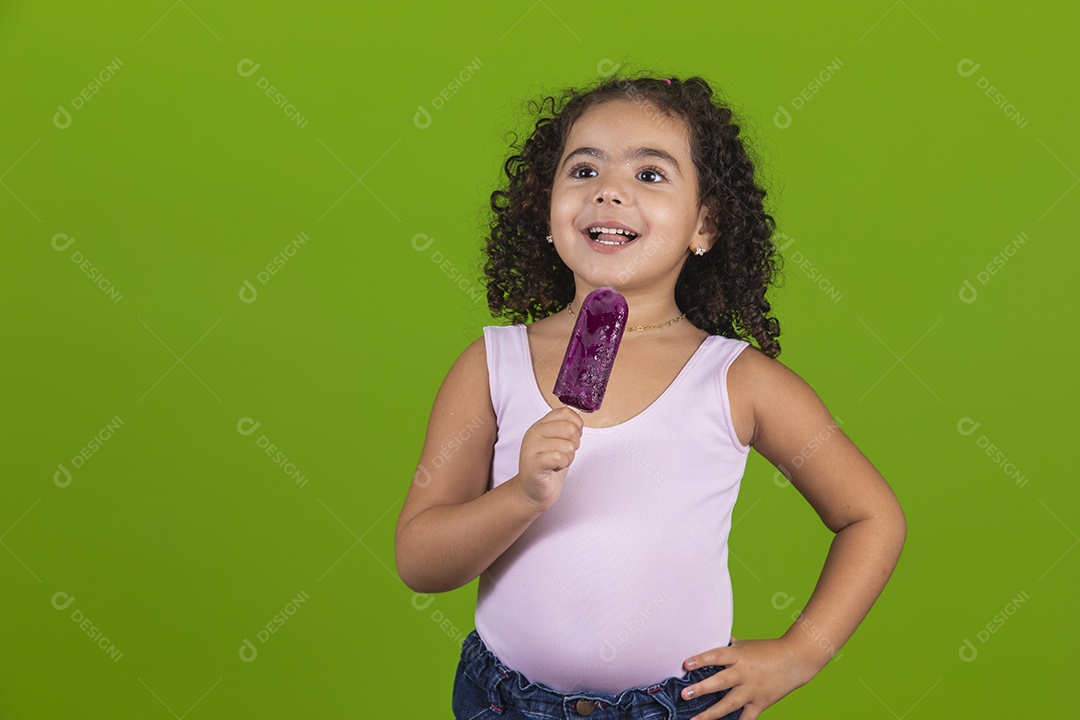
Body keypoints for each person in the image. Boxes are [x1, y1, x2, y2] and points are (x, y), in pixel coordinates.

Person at [394, 73, 906, 720]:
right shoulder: (492, 365)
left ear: (705, 225)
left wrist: (798, 654)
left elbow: (872, 518)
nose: (609, 190)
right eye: (583, 170)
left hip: (679, 706)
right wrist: (519, 495)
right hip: (503, 702)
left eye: (651, 175)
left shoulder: (737, 381)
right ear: (545, 210)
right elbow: (419, 561)